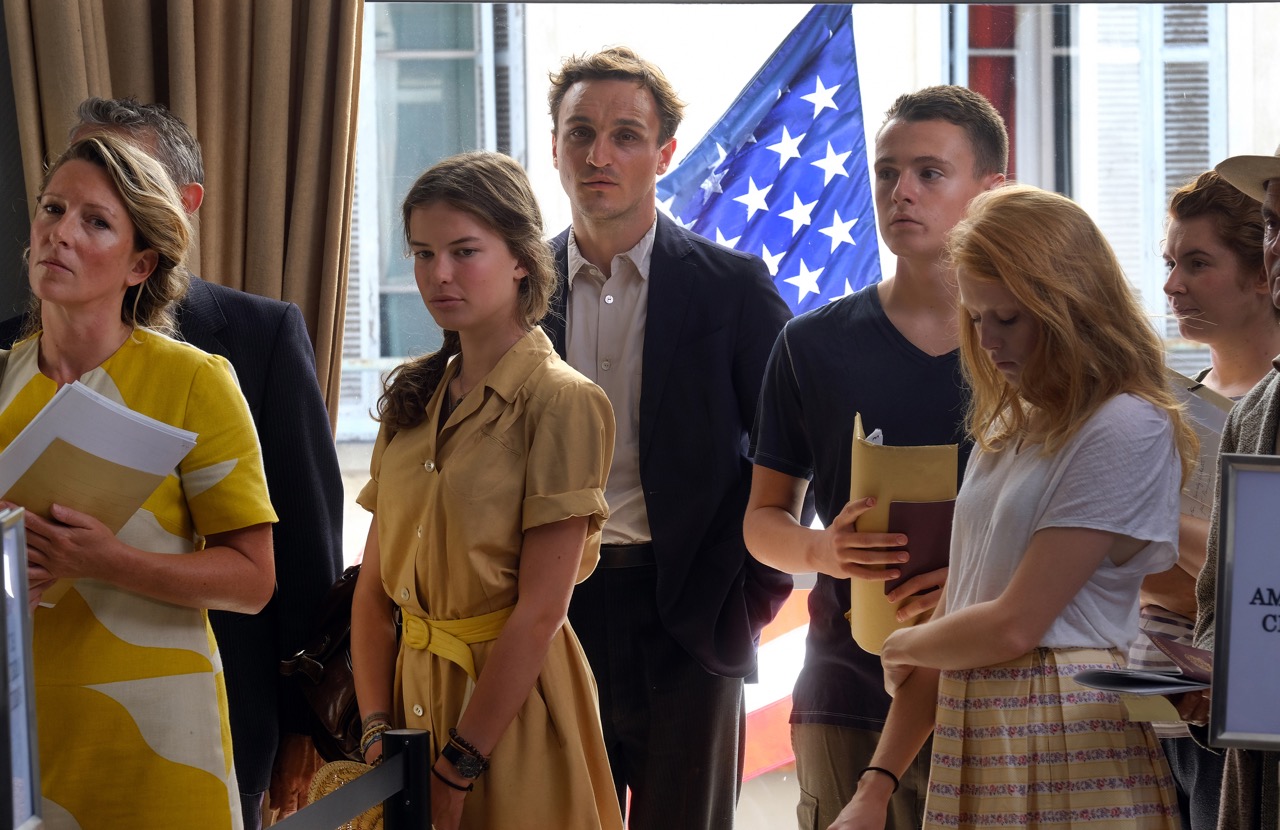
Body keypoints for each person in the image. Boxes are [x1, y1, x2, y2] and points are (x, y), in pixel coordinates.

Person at [0, 97, 345, 828]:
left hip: (162, 733)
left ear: (140, 263)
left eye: (96, 222)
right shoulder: (1, 381)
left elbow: (255, 581)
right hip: (22, 732)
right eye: (53, 209)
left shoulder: (197, 381)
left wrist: (106, 561)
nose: (61, 232)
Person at [831, 183, 1192, 829]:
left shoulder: (1124, 423)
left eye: (1009, 317)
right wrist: (875, 787)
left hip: (1064, 727)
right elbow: (961, 617)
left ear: (1071, 306)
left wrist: (905, 643)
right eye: (975, 318)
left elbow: (1014, 626)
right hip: (982, 721)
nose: (989, 341)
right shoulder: (1010, 425)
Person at [541, 46, 793, 829]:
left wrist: (748, 598)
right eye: (580, 133)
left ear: (665, 153)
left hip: (692, 615)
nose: (599, 155)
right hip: (550, 613)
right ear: (555, 146)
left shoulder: (733, 289)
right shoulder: (517, 292)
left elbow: (792, 453)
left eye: (625, 135)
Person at [743, 85, 1006, 830]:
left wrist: (989, 576)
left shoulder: (1032, 346)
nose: (901, 192)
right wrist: (820, 550)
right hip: (847, 688)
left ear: (991, 191)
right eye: (887, 172)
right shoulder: (812, 343)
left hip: (998, 683)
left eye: (930, 173)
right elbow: (761, 521)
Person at [350, 150, 622, 830]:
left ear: (522, 259)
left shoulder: (562, 402)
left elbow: (541, 611)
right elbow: (373, 589)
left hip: (510, 716)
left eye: (464, 251)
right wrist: (376, 729)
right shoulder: (413, 397)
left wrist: (458, 765)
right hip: (406, 709)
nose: (438, 274)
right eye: (422, 254)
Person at [1129, 169, 1277, 830]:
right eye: (1169, 263)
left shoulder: (1265, 410)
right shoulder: (1169, 401)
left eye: (1197, 263)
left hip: (1250, 710)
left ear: (1262, 272)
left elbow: (1254, 581)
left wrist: (1152, 528)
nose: (1172, 285)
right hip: (1161, 701)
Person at [1191, 144, 1280, 830]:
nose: (1278, 248)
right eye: (1275, 224)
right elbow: (1221, 599)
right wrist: (1211, 668)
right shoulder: (1252, 413)